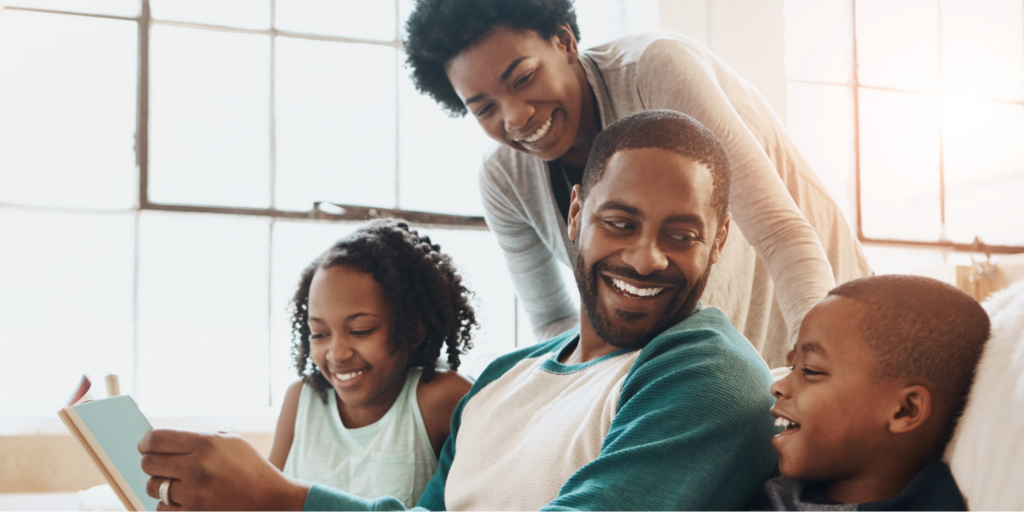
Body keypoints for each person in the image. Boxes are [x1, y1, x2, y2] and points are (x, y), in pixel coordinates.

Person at [139, 110, 778, 512]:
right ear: (577, 213)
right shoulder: (503, 378)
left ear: (718, 240)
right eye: (620, 222)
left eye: (682, 235)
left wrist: (284, 502)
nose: (646, 259)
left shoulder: (705, 369)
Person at [403, 0, 872, 366]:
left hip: (816, 312)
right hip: (698, 367)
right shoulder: (504, 180)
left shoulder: (656, 71)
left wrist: (813, 365)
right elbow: (553, 321)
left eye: (524, 77)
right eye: (484, 108)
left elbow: (780, 233)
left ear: (565, 41)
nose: (516, 116)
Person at [267, 220, 476, 507]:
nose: (337, 353)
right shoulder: (300, 400)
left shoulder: (440, 400)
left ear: (413, 330)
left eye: (361, 330)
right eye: (320, 334)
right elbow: (265, 498)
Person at [749, 275, 990, 511]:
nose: (777, 386)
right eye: (792, 367)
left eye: (810, 370)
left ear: (905, 410)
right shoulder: (773, 488)